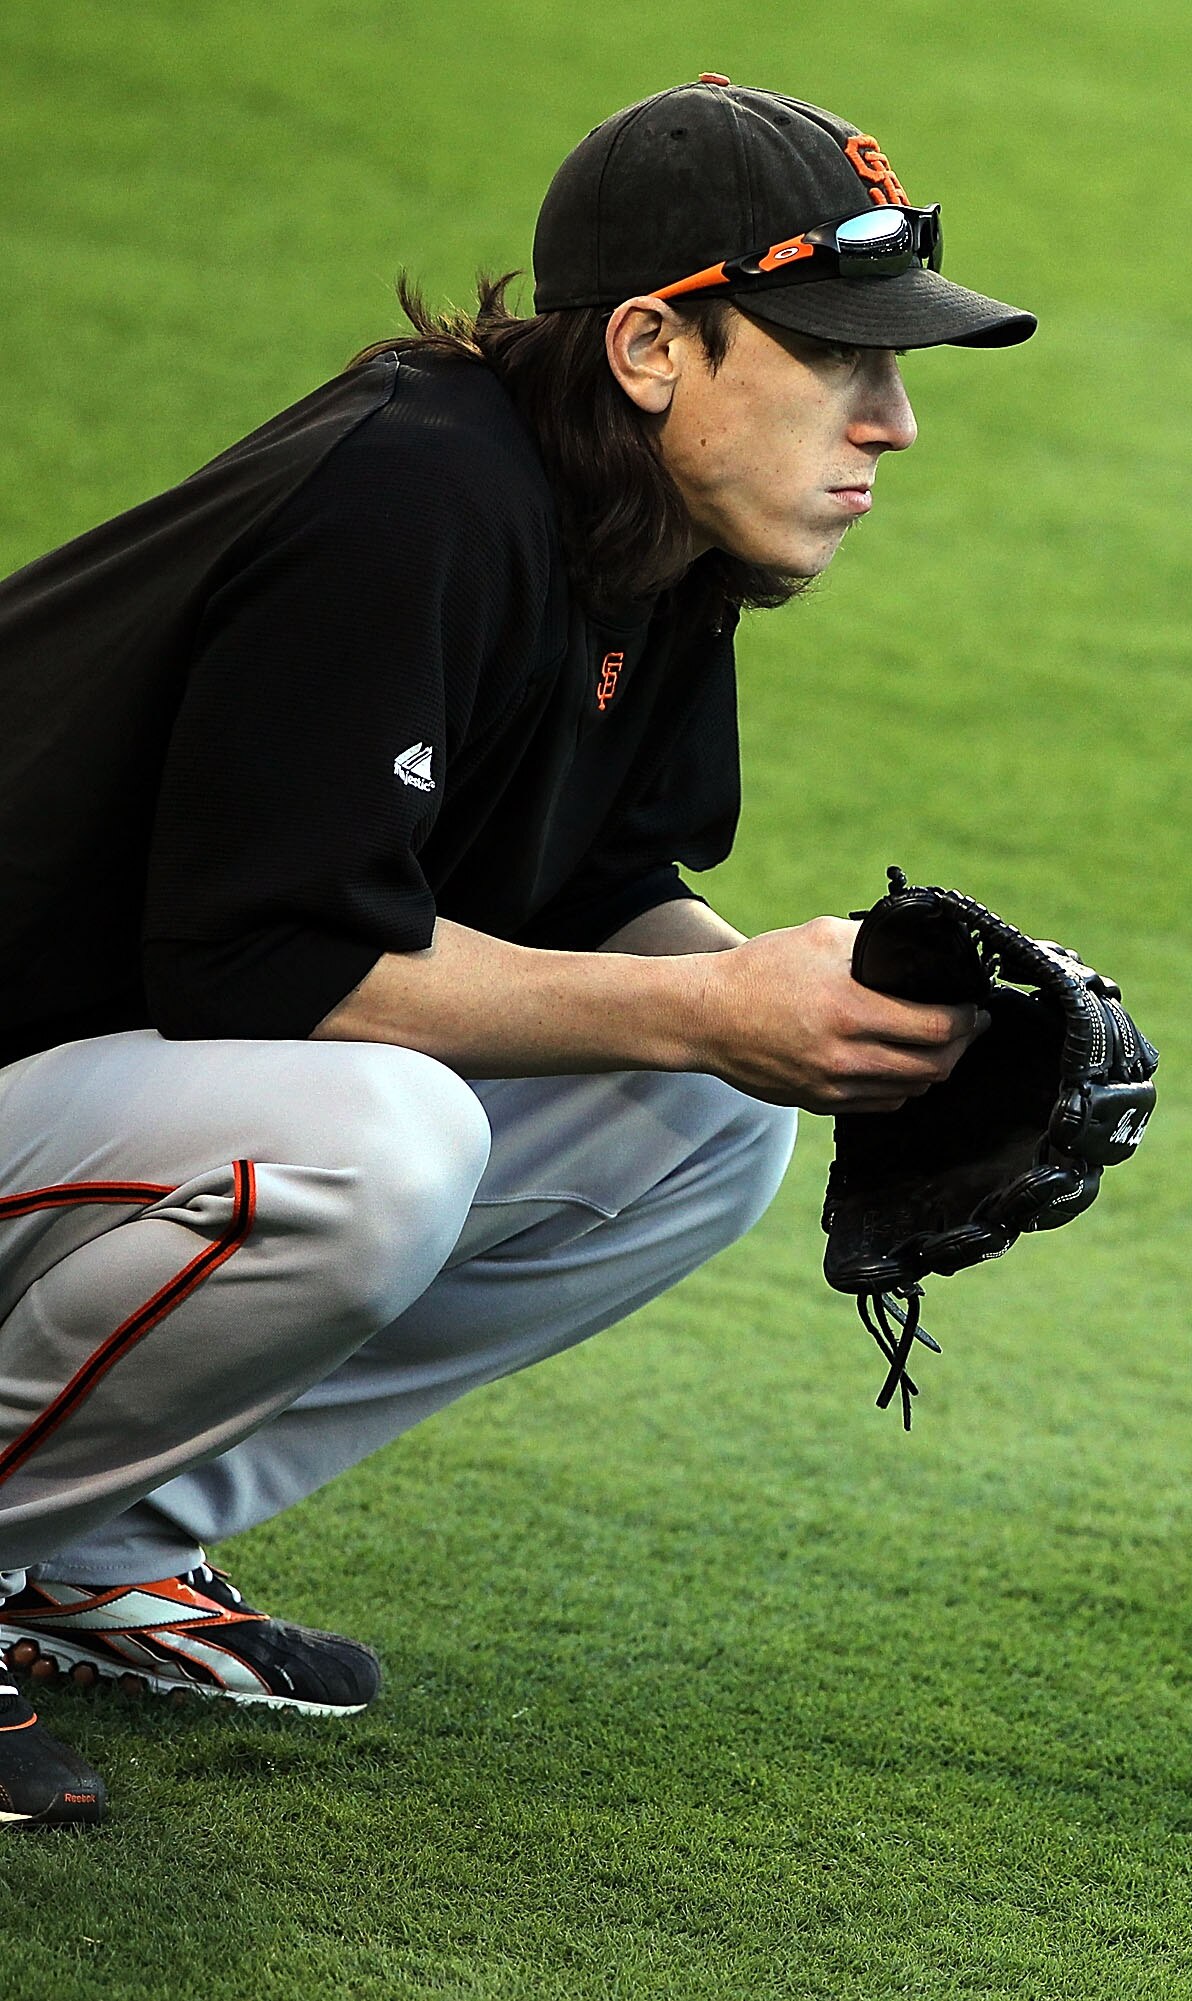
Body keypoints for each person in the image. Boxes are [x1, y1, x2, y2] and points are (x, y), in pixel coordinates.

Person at [0, 78, 1033, 1827]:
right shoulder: (411, 494)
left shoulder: (648, 530)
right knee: (372, 1150)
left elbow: (600, 882)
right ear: (652, 344)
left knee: (704, 1119)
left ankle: (82, 1552)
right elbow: (271, 970)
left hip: (82, 1100)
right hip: (70, 1069)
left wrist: (831, 1024)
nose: (897, 421)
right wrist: (706, 1001)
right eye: (841, 356)